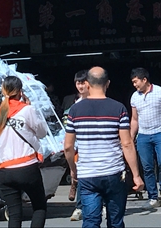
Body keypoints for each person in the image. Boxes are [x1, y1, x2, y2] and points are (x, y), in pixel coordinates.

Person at [64, 67, 144, 228]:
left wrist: (73, 169)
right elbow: (127, 144)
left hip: (87, 175)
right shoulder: (118, 108)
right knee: (116, 221)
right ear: (107, 84)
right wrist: (136, 175)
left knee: (91, 221)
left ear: (87, 84)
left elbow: (68, 146)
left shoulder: (75, 110)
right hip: (113, 173)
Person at [0, 76, 48, 228]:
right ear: (20, 92)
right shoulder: (27, 110)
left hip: (5, 171)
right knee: (39, 207)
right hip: (27, 167)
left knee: (14, 213)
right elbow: (42, 132)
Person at [129, 67, 161, 208]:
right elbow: (134, 119)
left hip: (160, 132)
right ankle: (153, 196)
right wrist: (131, 137)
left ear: (144, 79)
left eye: (136, 82)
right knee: (147, 167)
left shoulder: (160, 91)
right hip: (143, 136)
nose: (135, 85)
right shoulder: (135, 97)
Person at [66, 70, 89, 222]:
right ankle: (80, 207)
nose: (80, 86)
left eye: (83, 82)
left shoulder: (99, 100)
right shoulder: (75, 105)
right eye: (78, 83)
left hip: (96, 146)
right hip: (80, 148)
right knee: (80, 178)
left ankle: (105, 206)